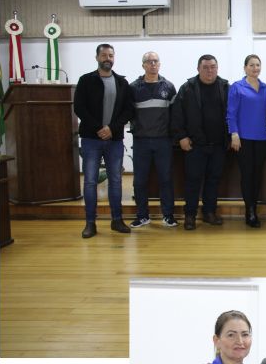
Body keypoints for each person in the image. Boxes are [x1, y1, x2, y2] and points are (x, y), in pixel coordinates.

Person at [74, 43, 134, 238]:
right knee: (90, 181)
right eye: (104, 55)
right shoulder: (86, 80)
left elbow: (128, 110)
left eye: (111, 55)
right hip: (91, 139)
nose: (107, 58)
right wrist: (99, 128)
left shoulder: (122, 83)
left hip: (114, 139)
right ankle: (90, 223)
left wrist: (112, 128)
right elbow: (79, 108)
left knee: (116, 181)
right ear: (97, 58)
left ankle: (117, 220)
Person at [171, 55, 230, 231]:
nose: (209, 70)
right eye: (205, 67)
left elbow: (233, 112)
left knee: (213, 180)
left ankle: (209, 213)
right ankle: (190, 215)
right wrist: (181, 136)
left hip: (218, 144)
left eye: (213, 67)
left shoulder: (225, 87)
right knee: (192, 181)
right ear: (198, 69)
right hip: (195, 145)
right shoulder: (187, 88)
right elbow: (177, 114)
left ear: (217, 68)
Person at [128, 51, 178, 229]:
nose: (153, 64)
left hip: (163, 141)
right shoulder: (133, 88)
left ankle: (168, 215)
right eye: (149, 61)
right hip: (141, 141)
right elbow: (128, 113)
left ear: (160, 64)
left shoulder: (169, 87)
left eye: (155, 61)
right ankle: (142, 216)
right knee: (139, 181)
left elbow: (175, 115)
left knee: (165, 179)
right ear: (143, 65)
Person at [227, 55, 266, 228]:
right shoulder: (237, 87)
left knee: (257, 175)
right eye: (251, 65)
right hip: (243, 138)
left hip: (262, 138)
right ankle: (249, 211)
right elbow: (231, 113)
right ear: (245, 68)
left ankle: (255, 207)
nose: (255, 68)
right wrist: (234, 133)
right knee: (247, 175)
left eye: (258, 65)